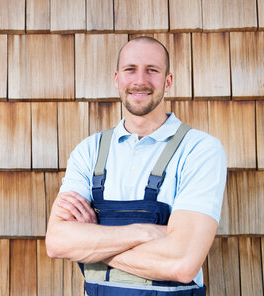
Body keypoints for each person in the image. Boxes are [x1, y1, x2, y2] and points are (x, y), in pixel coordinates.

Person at [45, 36, 227, 295]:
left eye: (152, 70)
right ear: (117, 78)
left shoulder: (199, 150)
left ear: (168, 81)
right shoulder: (89, 151)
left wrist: (93, 242)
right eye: (131, 69)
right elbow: (56, 242)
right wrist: (145, 232)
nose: (140, 80)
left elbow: (182, 264)